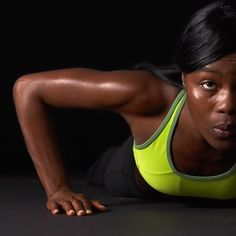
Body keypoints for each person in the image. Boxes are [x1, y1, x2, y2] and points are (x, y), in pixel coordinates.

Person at [13, 0, 236, 217]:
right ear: (184, 78)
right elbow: (29, 88)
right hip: (132, 174)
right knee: (103, 166)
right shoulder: (149, 95)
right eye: (209, 84)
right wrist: (57, 189)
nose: (228, 106)